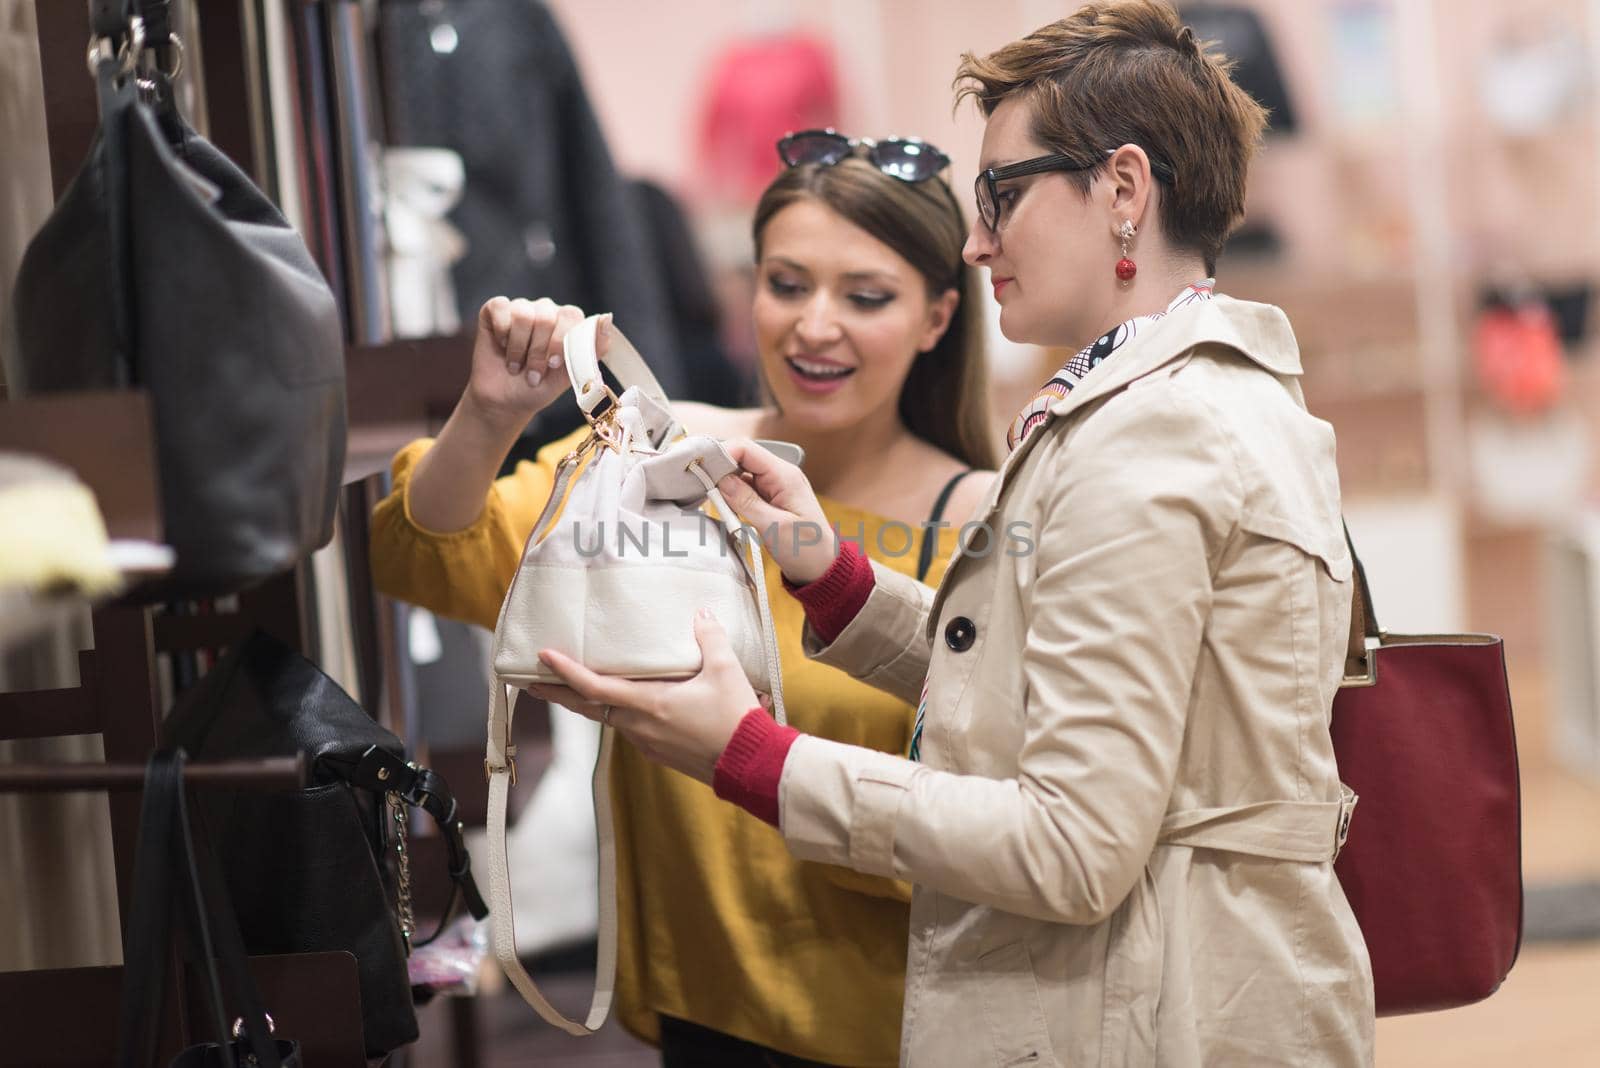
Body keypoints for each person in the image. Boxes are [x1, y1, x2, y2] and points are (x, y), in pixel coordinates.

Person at [530, 3, 1377, 1065]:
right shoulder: (1186, 398)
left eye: (1002, 195)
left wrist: (749, 756)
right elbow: (1065, 678)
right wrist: (835, 580)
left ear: (1122, 190)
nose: (976, 240)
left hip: (1153, 1016)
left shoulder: (1152, 441)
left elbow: (1069, 847)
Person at [369, 140, 996, 1065]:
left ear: (939, 316)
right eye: (787, 284)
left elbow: (1004, 816)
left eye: (865, 296)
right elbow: (426, 555)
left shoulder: (980, 522)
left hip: (903, 1029)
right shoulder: (671, 459)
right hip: (701, 1022)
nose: (815, 326)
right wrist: (490, 413)